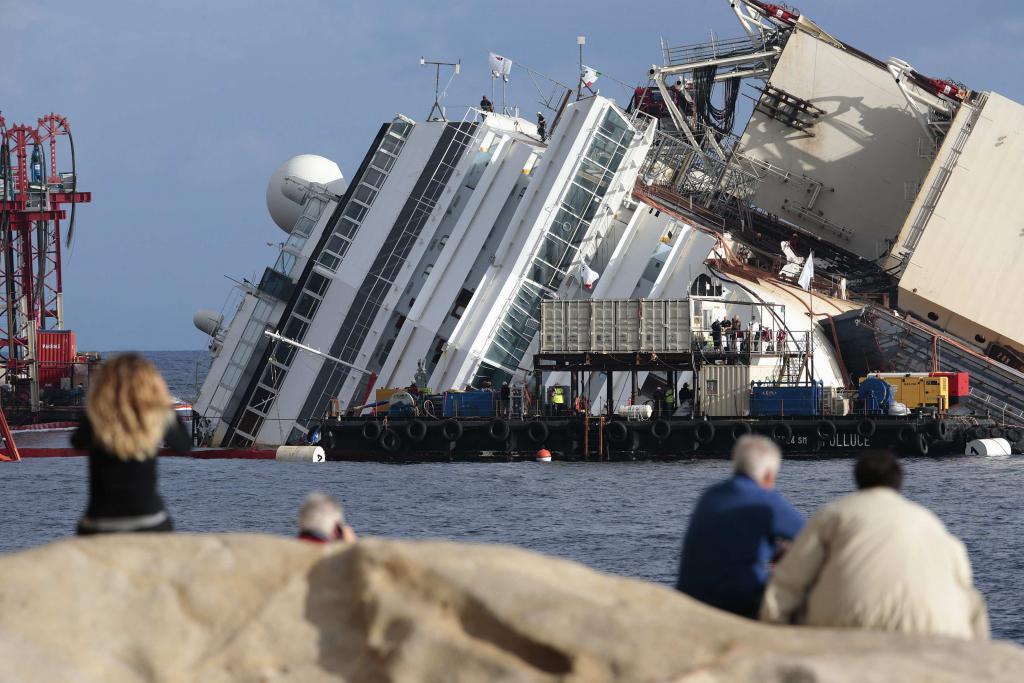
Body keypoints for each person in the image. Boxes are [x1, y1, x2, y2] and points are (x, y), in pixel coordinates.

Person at [760, 452, 989, 639]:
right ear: (899, 482)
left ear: (857, 479)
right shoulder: (928, 520)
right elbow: (963, 580)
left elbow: (792, 576)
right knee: (974, 601)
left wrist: (772, 620)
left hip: (847, 618)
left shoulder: (835, 514)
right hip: (933, 623)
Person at [677, 435, 804, 618]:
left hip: (691, 600)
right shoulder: (765, 501)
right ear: (768, 475)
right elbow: (812, 535)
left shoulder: (710, 496)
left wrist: (773, 549)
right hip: (738, 604)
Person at [72, 353, 189, 535]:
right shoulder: (156, 418)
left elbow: (77, 442)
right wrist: (163, 401)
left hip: (100, 525)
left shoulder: (96, 418)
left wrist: (94, 405)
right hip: (149, 522)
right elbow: (183, 445)